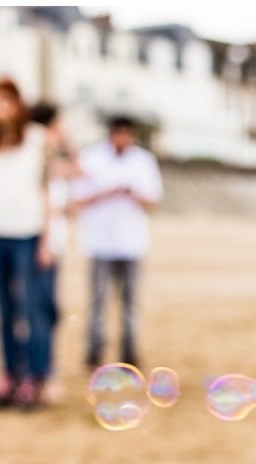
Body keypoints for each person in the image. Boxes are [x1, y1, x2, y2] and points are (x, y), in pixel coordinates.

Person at [0, 77, 52, 410]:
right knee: (3, 312)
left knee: (30, 310)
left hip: (27, 233)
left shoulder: (36, 138)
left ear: (18, 104)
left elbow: (46, 189)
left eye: (5, 101)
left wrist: (46, 240)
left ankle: (33, 379)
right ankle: (9, 377)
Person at [70, 115, 162, 370]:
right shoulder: (91, 158)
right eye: (118, 133)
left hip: (132, 243)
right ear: (111, 134)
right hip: (99, 242)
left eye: (127, 134)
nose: (123, 138)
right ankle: (94, 353)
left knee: (130, 303)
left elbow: (154, 201)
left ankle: (129, 353)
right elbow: (76, 200)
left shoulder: (144, 161)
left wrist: (134, 194)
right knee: (97, 302)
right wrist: (106, 193)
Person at [28, 101, 81, 400]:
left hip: (52, 245)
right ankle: (42, 376)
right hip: (41, 245)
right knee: (42, 312)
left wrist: (66, 143)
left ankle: (42, 374)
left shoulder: (49, 159)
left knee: (45, 311)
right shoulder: (37, 159)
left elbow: (80, 171)